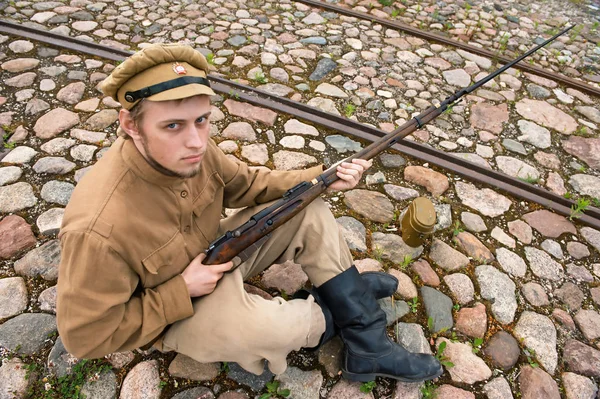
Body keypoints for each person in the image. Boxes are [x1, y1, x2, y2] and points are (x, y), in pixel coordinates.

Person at [56, 43, 442, 383]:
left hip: (217, 254)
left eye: (202, 120)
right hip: (172, 315)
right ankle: (342, 301)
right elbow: (86, 336)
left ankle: (365, 342)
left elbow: (247, 184)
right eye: (172, 125)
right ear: (130, 125)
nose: (195, 141)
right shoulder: (97, 229)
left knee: (308, 207)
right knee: (279, 328)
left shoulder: (192, 150)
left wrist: (322, 177)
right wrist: (180, 290)